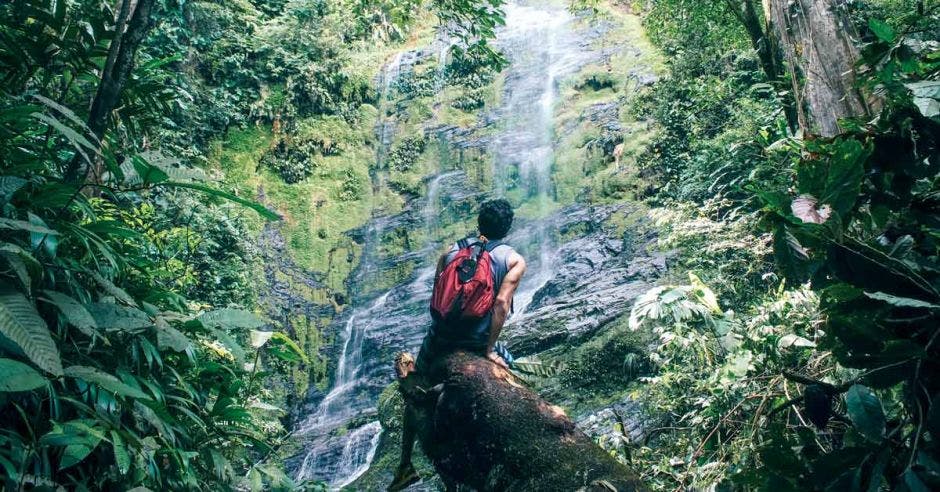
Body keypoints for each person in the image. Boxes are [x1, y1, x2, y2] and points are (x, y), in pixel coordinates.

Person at [388, 198, 526, 491]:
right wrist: (488, 350)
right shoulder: (513, 260)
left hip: (440, 337)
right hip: (474, 340)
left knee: (414, 388)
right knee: (511, 368)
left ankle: (404, 465)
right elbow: (501, 304)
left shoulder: (452, 250)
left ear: (479, 223)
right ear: (508, 229)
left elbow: (438, 291)